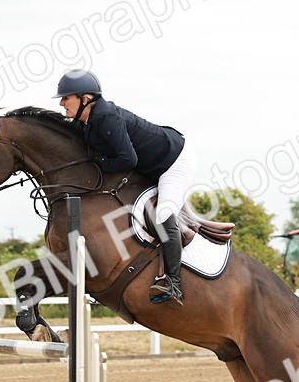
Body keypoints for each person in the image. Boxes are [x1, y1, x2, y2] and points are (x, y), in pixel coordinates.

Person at [54, 69, 194, 306]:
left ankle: (173, 283)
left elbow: (127, 160)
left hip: (174, 161)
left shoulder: (106, 117)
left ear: (85, 98)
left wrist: (97, 162)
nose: (61, 102)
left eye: (66, 97)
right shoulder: (87, 122)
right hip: (150, 165)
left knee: (163, 213)